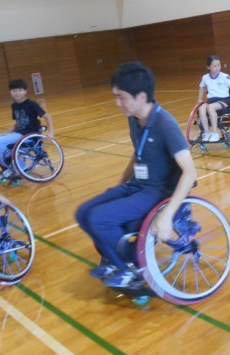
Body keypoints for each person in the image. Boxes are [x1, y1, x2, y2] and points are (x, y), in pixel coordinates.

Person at [76, 61, 197, 288]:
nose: (117, 103)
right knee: (83, 213)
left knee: (98, 218)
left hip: (157, 191)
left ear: (141, 97)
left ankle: (131, 266)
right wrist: (120, 183)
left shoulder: (165, 124)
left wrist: (168, 214)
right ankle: (116, 258)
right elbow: (139, 153)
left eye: (121, 97)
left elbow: (189, 172)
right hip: (137, 186)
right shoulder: (134, 118)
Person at [0, 79, 54, 180]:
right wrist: (8, 132)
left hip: (29, 135)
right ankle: (7, 167)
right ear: (10, 92)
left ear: (25, 91)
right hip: (19, 133)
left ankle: (20, 166)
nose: (17, 93)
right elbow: (19, 122)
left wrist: (51, 132)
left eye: (20, 90)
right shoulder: (14, 105)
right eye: (14, 90)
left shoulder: (31, 104)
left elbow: (48, 117)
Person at [197, 55, 230, 142]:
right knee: (201, 109)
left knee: (210, 107)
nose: (217, 68)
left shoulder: (224, 76)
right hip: (211, 101)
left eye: (218, 65)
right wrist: (199, 99)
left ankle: (215, 133)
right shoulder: (205, 77)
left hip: (223, 101)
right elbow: (201, 87)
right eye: (214, 66)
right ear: (208, 67)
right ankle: (207, 132)